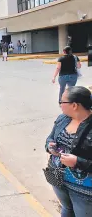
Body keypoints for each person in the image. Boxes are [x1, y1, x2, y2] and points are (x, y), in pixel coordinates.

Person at [45, 86, 92, 217]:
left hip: (83, 189)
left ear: (75, 105)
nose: (60, 105)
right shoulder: (63, 118)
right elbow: (50, 138)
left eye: (62, 102)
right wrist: (49, 146)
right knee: (67, 209)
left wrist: (77, 162)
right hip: (58, 179)